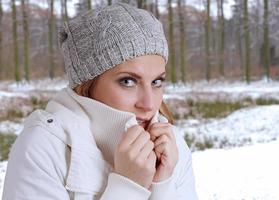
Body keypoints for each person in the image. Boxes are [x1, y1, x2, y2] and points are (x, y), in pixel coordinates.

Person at [2, 3, 198, 199]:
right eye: (127, 81)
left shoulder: (172, 146)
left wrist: (163, 184)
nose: (149, 104)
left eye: (156, 82)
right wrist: (128, 187)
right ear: (87, 84)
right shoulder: (43, 147)